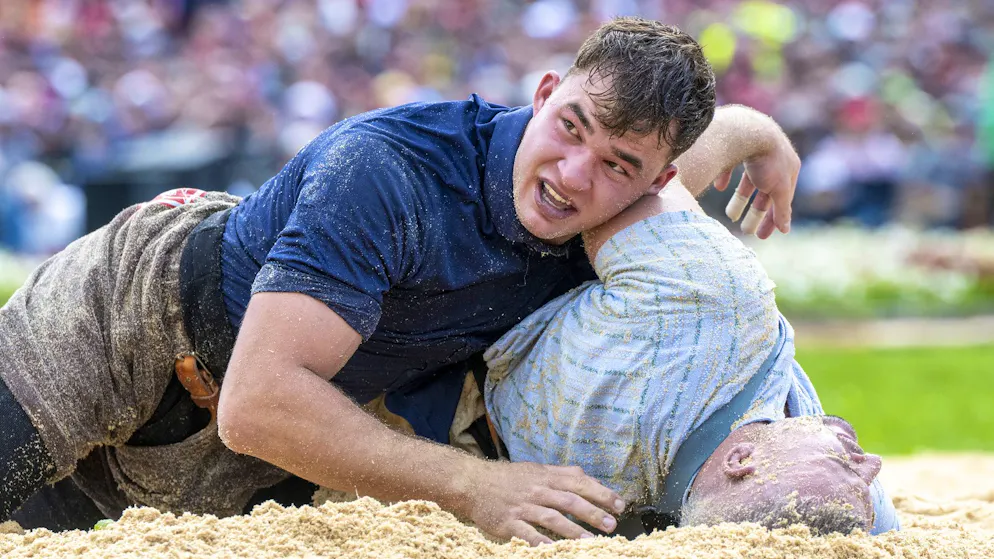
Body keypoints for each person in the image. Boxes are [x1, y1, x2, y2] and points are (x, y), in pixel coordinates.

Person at [0, 17, 798, 543]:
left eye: (618, 166)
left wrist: (762, 134)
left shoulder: (610, 207)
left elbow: (691, 156)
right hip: (134, 318)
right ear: (546, 91)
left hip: (265, 429)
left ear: (652, 182)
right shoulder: (389, 170)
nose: (573, 174)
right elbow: (260, 401)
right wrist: (474, 485)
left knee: (67, 531)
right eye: (571, 129)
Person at [479, 180, 899, 540]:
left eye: (843, 464)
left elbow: (628, 177)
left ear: (742, 461)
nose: (871, 463)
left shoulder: (711, 302)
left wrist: (749, 132)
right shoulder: (588, 516)